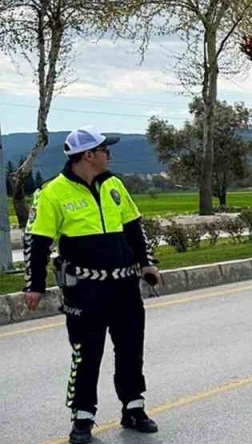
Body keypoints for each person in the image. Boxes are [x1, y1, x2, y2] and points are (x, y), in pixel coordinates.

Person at [23, 126, 163, 444]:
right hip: (84, 290)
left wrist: (147, 263)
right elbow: (37, 241)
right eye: (104, 150)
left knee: (130, 349)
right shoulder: (52, 193)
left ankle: (133, 407)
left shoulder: (114, 185)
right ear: (88, 156)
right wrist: (34, 284)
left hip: (125, 286)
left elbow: (134, 229)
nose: (108, 154)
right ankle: (83, 416)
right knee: (86, 352)